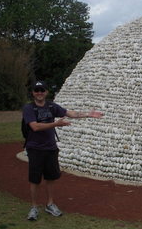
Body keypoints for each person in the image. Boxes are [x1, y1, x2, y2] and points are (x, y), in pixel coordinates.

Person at [22, 81, 102, 221]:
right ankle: (34, 207)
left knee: (50, 177)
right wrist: (56, 124)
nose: (39, 93)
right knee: (35, 179)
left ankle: (50, 204)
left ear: (46, 92)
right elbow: (35, 127)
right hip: (35, 148)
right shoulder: (29, 108)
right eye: (37, 90)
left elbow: (68, 113)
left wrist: (88, 114)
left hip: (50, 148)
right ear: (33, 92)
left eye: (42, 90)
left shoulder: (52, 106)